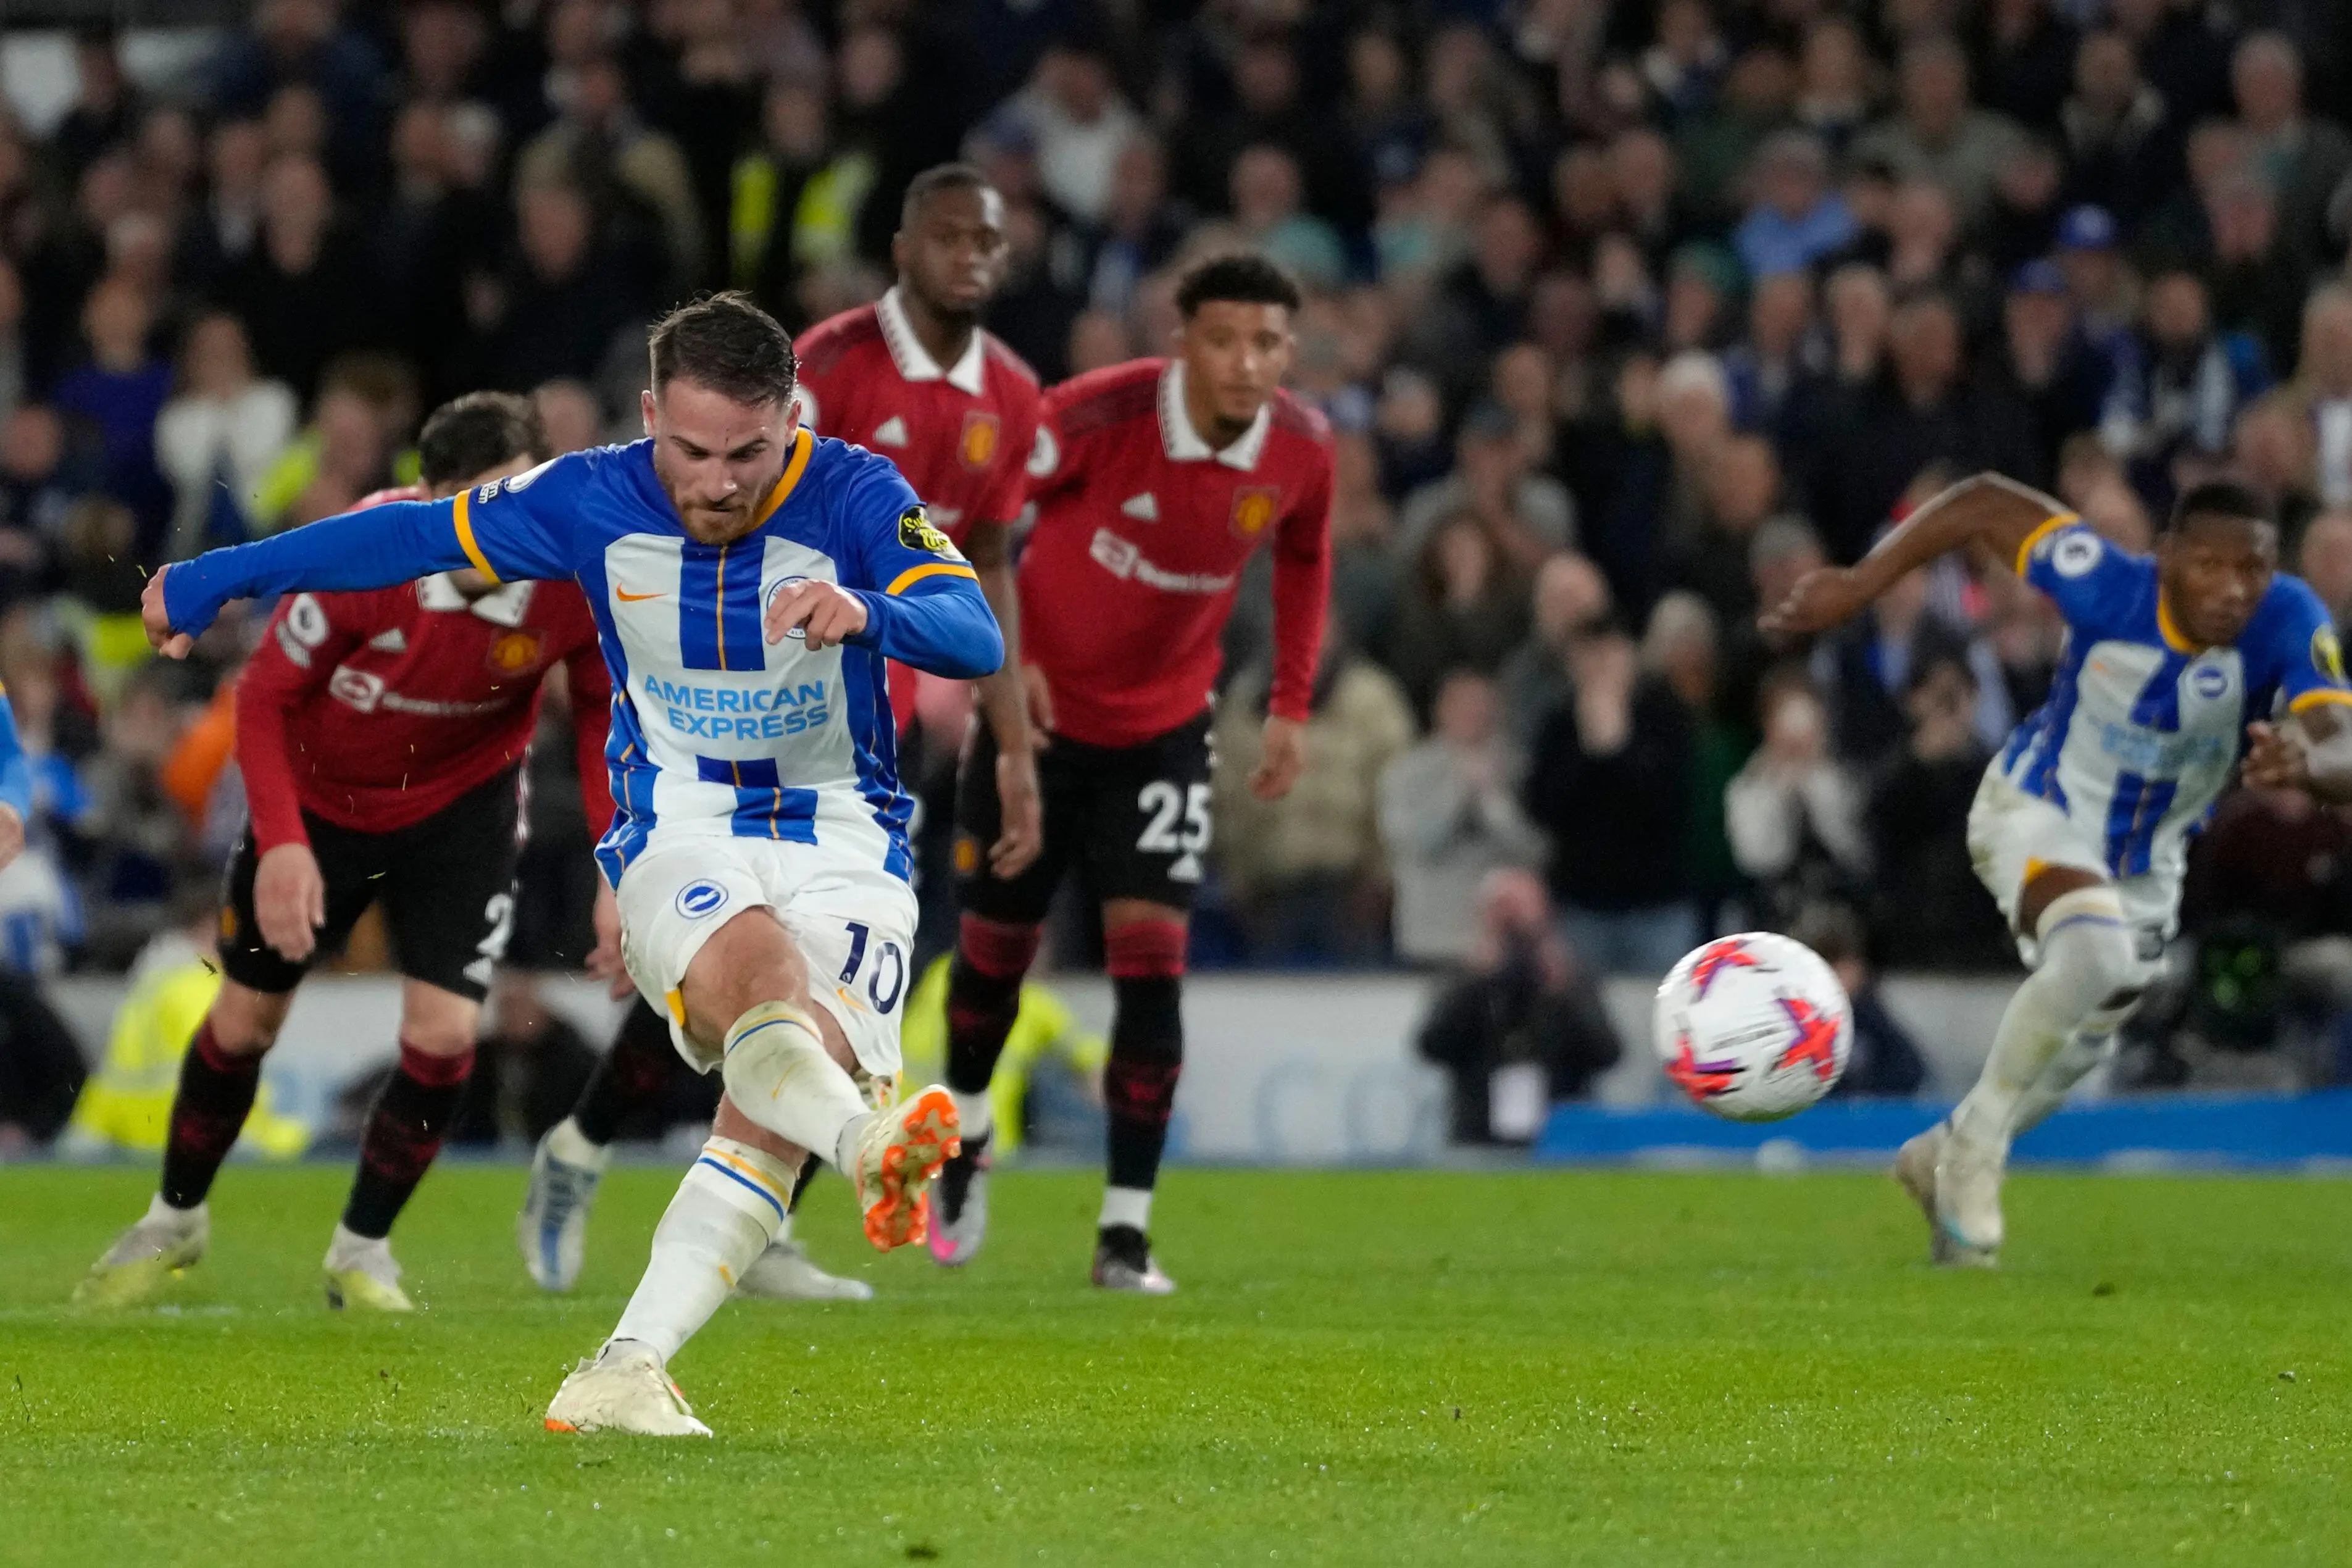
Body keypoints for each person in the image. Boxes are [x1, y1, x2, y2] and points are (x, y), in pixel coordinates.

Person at [140, 293, 1001, 1435]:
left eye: (749, 452)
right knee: (766, 993)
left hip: (849, 838)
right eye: (691, 451)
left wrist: (868, 610)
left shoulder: (851, 493)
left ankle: (626, 1366)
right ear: (650, 419)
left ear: (791, 419)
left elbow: (972, 629)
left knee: (771, 1106)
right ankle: (869, 1141)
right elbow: (401, 534)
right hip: (680, 826)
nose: (719, 482)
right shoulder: (587, 496)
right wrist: (219, 575)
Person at [514, 164, 1043, 1303]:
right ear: (903, 246)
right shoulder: (832, 364)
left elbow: (986, 569)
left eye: (987, 241)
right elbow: (718, 511)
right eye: (947, 236)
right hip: (745, 710)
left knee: (827, 995)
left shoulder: (1013, 393)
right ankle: (585, 1146)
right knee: (738, 989)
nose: (970, 259)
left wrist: (1011, 746)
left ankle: (768, 1226)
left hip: (870, 729)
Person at [76, 391, 617, 1314]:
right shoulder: (372, 555)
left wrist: (616, 866)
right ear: (429, 495)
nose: (505, 531)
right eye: (481, 507)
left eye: (518, 502)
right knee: (247, 1023)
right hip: (321, 807)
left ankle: (362, 1250)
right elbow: (263, 698)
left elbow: (602, 705)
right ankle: (176, 1218)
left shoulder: (570, 569)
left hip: (464, 811)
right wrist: (284, 845)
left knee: (445, 1038)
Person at [1765, 472, 2352, 1267]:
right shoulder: (2104, 583)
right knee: (2095, 954)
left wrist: (2310, 760)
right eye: (2210, 566)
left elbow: (2340, 740)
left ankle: (1941, 1149)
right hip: (2034, 812)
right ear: (2168, 557)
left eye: (2251, 568)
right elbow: (1980, 502)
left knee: (2078, 1050)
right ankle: (1974, 1156)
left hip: (2148, 867)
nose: (2232, 589)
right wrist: (1862, 583)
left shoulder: (2289, 618)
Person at [936, 254, 1332, 1291]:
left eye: (1266, 343)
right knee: (993, 956)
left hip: (1162, 734)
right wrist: (1003, 657)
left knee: (1152, 970)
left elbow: (1304, 555)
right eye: (1223, 339)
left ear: (1288, 352)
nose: (1245, 363)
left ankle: (1123, 1234)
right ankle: (967, 1138)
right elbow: (983, 520)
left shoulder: (1300, 447)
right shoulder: (1096, 416)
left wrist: (1290, 702)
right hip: (1039, 724)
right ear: (1181, 342)